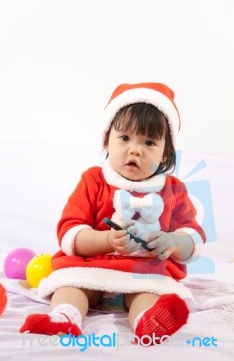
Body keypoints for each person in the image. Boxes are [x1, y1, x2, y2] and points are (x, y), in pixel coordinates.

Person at [20, 82, 206, 345]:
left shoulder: (173, 190)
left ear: (166, 154)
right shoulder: (94, 180)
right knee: (71, 287)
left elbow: (193, 238)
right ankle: (64, 317)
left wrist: (174, 242)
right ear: (107, 139)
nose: (135, 150)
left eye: (149, 142)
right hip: (91, 268)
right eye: (125, 138)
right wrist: (105, 241)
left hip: (143, 274)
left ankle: (147, 322)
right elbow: (70, 232)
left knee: (148, 294)